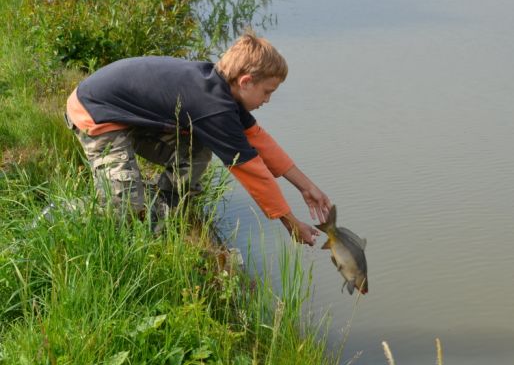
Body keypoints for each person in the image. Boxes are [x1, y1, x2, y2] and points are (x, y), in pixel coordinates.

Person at [64, 32, 330, 244]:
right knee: (126, 208)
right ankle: (66, 211)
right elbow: (252, 170)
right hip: (96, 115)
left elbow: (259, 140)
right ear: (246, 81)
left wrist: (307, 187)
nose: (268, 100)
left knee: (197, 146)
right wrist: (290, 222)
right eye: (267, 92)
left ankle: (166, 206)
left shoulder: (222, 89)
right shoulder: (214, 107)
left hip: (128, 116)